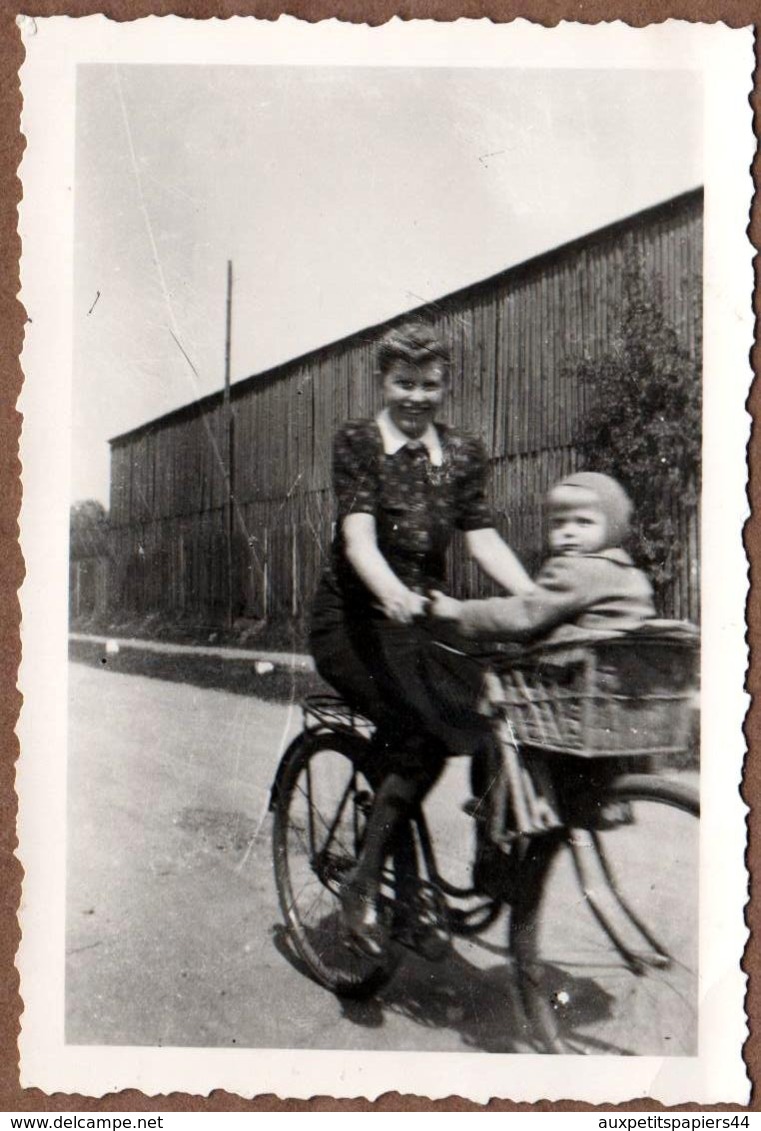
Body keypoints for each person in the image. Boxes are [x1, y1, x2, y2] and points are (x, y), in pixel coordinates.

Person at [310, 320, 535, 958]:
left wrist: (534, 602)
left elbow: (481, 536)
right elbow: (357, 540)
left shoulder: (463, 451)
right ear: (384, 383)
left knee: (494, 711)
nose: (416, 397)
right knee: (421, 737)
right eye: (404, 383)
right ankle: (361, 887)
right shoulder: (358, 443)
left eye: (429, 384)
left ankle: (489, 869)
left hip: (420, 623)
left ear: (445, 385)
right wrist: (391, 593)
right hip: (354, 622)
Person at [429, 471, 656, 643]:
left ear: (612, 527)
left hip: (584, 679)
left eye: (584, 522)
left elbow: (525, 615)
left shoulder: (575, 570)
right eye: (558, 522)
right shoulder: (629, 571)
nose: (568, 531)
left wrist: (460, 611)